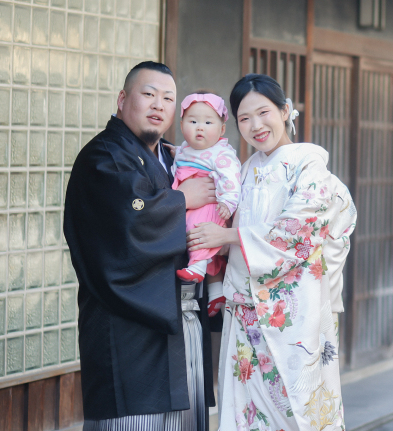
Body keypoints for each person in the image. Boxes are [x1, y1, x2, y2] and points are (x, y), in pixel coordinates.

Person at [187, 74, 357, 431]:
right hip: (245, 312)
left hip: (294, 311)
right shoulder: (246, 169)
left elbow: (298, 231)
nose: (256, 125)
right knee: (247, 413)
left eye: (263, 112)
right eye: (244, 118)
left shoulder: (308, 164)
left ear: (284, 110)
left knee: (297, 410)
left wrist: (228, 235)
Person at [63, 61, 219, 431]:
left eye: (168, 98)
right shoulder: (103, 157)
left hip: (182, 320)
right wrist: (181, 199)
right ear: (122, 99)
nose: (158, 104)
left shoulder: (174, 157)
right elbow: (128, 222)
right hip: (128, 329)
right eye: (148, 94)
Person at [172, 92, 241, 317]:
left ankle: (197, 268)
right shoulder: (184, 148)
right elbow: (181, 157)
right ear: (181, 125)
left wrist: (228, 202)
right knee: (199, 240)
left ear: (222, 129)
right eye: (193, 121)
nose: (200, 127)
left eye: (208, 122)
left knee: (197, 231)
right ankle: (216, 292)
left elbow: (231, 177)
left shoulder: (221, 153)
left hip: (212, 206)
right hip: (191, 200)